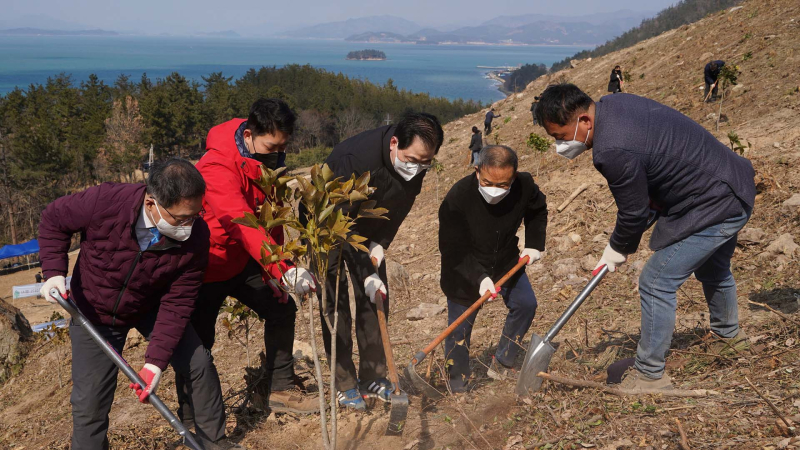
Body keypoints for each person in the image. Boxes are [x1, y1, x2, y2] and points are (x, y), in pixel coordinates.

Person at [535, 84, 756, 391]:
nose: (560, 145)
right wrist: (621, 245)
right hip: (728, 183)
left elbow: (634, 212)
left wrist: (617, 247)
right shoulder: (613, 104)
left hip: (717, 202)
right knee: (712, 267)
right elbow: (650, 178)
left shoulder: (611, 149)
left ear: (584, 121)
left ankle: (650, 375)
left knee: (655, 281)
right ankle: (731, 338)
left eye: (560, 136)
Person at [38, 158, 239, 449]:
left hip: (151, 306)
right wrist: (54, 272)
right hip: (95, 310)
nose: (189, 225)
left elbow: (178, 301)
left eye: (195, 215)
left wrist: (155, 363)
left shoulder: (196, 237)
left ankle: (213, 443)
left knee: (198, 364)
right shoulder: (105, 202)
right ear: (151, 203)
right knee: (90, 404)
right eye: (181, 218)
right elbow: (53, 219)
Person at [178, 98, 319, 419]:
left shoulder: (262, 157)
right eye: (271, 146)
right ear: (249, 135)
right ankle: (189, 419)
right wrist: (282, 268)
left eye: (282, 147)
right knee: (198, 346)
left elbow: (271, 218)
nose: (277, 154)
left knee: (281, 309)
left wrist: (276, 272)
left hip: (243, 260)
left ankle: (280, 389)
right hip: (203, 267)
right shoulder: (216, 166)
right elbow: (241, 220)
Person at [313, 113, 444, 410]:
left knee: (376, 296)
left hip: (367, 230)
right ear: (395, 143)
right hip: (327, 227)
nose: (418, 169)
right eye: (413, 160)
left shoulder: (416, 163)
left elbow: (398, 209)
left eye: (426, 162)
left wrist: (378, 246)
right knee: (336, 304)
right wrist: (362, 262)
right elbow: (338, 220)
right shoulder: (354, 160)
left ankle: (373, 377)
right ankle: (343, 383)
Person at [438, 145, 547, 392]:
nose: (495, 190)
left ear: (514, 177)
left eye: (503, 185)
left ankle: (504, 360)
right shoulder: (458, 197)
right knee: (459, 329)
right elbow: (452, 248)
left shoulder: (525, 185)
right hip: (464, 269)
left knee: (526, 305)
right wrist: (479, 278)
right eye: (488, 182)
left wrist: (533, 244)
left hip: (506, 262)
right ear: (477, 171)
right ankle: (457, 383)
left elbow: (537, 210)